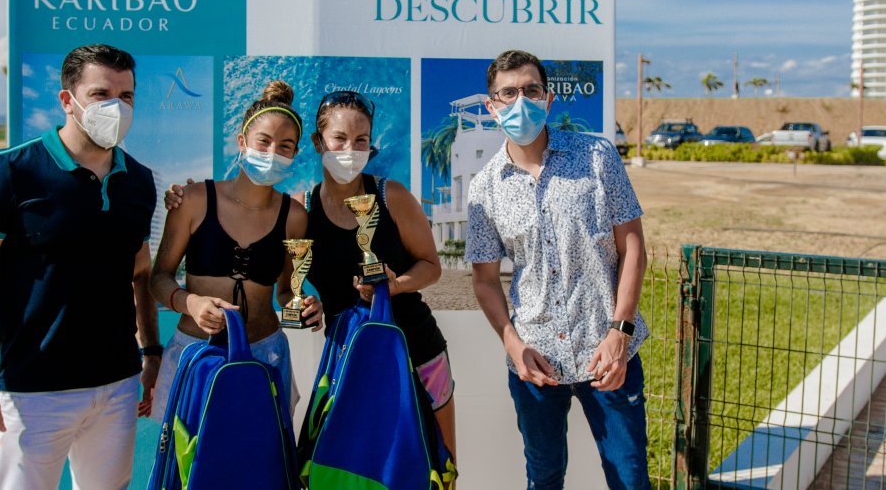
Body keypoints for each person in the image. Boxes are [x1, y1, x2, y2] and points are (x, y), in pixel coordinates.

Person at [164, 89, 458, 462]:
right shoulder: (301, 210)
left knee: (440, 464)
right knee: (348, 471)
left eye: (361, 140)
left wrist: (396, 285)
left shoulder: (391, 196)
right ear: (319, 143)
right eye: (340, 138)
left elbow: (431, 265)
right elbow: (287, 289)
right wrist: (304, 305)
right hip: (346, 357)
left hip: (416, 348)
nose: (350, 149)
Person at [0, 44, 159, 490]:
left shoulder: (139, 180)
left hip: (117, 385)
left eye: (126, 96)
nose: (116, 107)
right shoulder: (8, 172)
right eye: (101, 94)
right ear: (68, 100)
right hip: (33, 392)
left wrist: (151, 352)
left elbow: (140, 273)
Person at [466, 49, 650, 490]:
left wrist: (620, 333)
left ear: (548, 98)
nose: (520, 101)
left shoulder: (597, 156)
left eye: (531, 90)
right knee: (544, 478)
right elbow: (485, 281)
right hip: (536, 362)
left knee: (629, 479)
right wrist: (513, 345)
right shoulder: (484, 187)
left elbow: (633, 246)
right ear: (491, 106)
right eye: (507, 93)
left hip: (608, 354)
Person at [148, 80, 312, 422]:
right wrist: (190, 303)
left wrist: (304, 306)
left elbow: (285, 292)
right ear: (242, 142)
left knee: (262, 454)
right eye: (263, 141)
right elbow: (159, 278)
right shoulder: (193, 200)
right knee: (187, 454)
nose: (272, 153)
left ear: (295, 153)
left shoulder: (294, 217)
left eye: (285, 146)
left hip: (266, 356)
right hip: (195, 353)